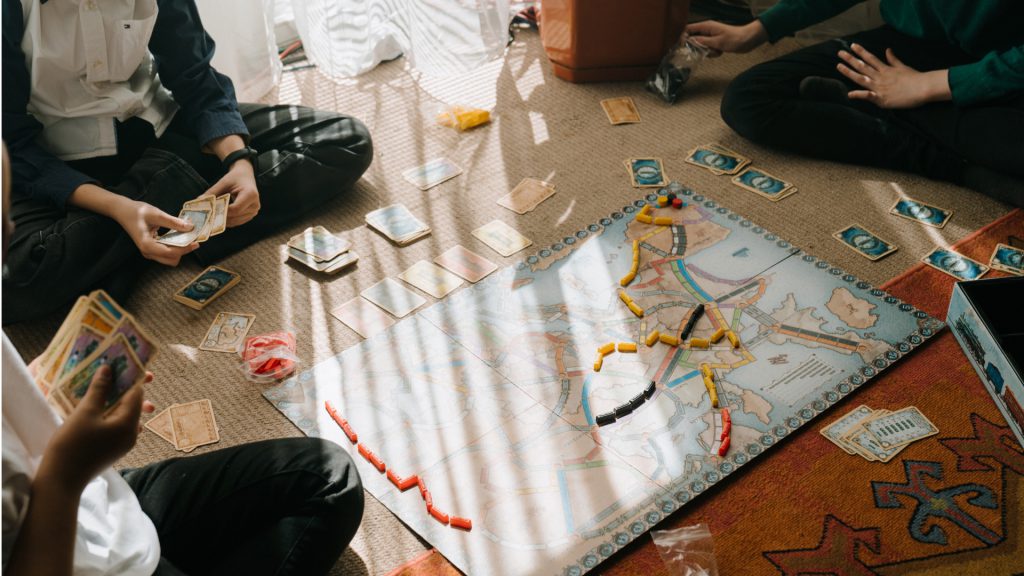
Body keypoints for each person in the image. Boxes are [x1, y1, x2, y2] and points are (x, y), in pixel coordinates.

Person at [2, 143, 365, 575]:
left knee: (329, 478)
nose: (11, 228)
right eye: (3, 229)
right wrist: (68, 470)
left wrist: (28, 389)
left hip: (96, 504)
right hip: (69, 538)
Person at [2, 0, 374, 325]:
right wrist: (118, 207)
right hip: (59, 165)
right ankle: (166, 212)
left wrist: (239, 161)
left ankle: (141, 240)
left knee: (344, 140)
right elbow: (13, 143)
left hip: (163, 129)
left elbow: (195, 76)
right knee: (14, 284)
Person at [686, 0, 1024, 207]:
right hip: (904, 45)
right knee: (749, 100)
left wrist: (929, 86)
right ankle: (959, 167)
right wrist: (755, 31)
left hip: (1001, 69)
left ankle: (882, 108)